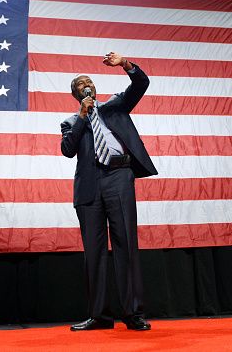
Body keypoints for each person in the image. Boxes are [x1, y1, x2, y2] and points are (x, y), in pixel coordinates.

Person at [60, 52, 158, 331]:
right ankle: (99, 316)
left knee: (126, 243)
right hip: (89, 186)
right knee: (95, 251)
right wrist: (81, 117)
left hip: (118, 176)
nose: (86, 84)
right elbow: (68, 151)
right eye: (81, 84)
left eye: (89, 81)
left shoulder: (115, 106)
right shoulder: (70, 122)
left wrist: (125, 64)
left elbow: (141, 84)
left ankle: (133, 314)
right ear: (76, 94)